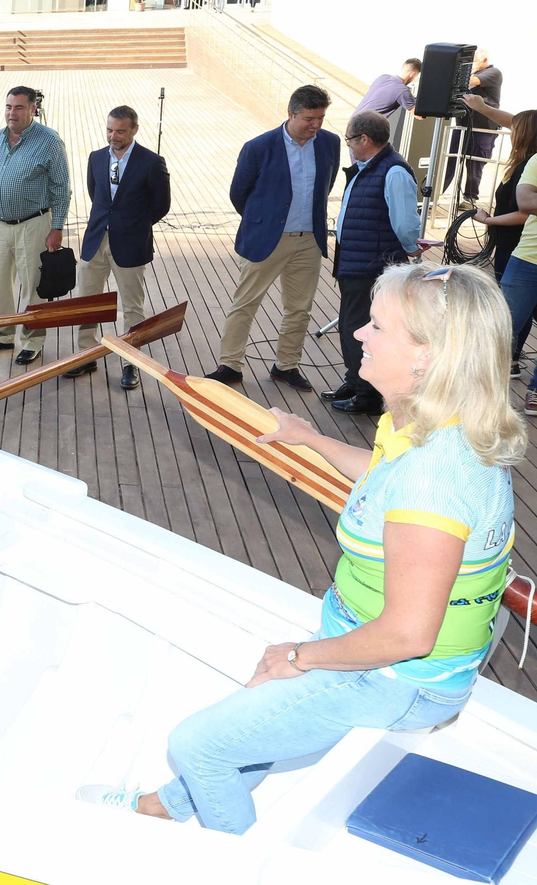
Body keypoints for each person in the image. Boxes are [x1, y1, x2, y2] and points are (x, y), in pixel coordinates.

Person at [79, 262, 524, 835]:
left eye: (377, 326)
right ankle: (168, 805)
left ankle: (229, 860)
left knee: (197, 746)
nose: (358, 333)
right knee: (254, 717)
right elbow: (384, 480)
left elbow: (408, 635)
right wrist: (309, 439)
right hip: (371, 649)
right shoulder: (435, 428)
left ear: (428, 356)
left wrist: (298, 658)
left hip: (397, 679)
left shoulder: (437, 479)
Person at [207, 84, 340, 391]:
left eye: (320, 118)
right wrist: (263, 222)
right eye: (309, 118)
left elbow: (328, 184)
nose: (316, 125)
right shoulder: (258, 147)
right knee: (245, 303)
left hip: (309, 240)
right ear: (291, 114)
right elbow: (239, 193)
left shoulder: (329, 143)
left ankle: (286, 365)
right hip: (267, 239)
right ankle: (230, 365)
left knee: (300, 309)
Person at [323, 111, 423, 417]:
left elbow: (405, 222)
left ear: (364, 139)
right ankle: (355, 382)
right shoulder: (369, 167)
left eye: (350, 139)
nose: (349, 145)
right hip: (356, 261)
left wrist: (410, 247)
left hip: (372, 265)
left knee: (361, 328)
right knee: (350, 325)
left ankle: (367, 394)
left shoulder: (393, 171)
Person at [63, 105, 171, 390]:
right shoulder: (96, 158)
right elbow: (95, 194)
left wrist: (134, 225)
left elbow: (161, 205)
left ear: (134, 129)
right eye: (110, 130)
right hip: (95, 240)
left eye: (120, 131)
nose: (114, 136)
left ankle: (130, 363)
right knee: (87, 302)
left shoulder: (152, 162)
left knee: (132, 306)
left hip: (131, 244)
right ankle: (87, 356)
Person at [0, 86, 70, 365]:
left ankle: (32, 341)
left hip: (33, 225)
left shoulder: (49, 141)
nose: (12, 113)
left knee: (33, 285)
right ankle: (3, 335)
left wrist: (57, 227)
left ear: (33, 109)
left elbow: (61, 188)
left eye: (19, 107)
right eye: (9, 107)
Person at [490, 127, 537, 414]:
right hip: (528, 258)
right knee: (500, 328)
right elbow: (526, 202)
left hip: (524, 260)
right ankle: (477, 389)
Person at [444, 50, 503, 208]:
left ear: (484, 60)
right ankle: (435, 195)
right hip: (462, 127)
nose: (471, 66)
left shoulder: (492, 73)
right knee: (451, 161)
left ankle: (470, 198)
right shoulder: (471, 74)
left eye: (474, 61)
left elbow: (472, 80)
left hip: (482, 129)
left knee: (475, 164)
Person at [353, 58, 421, 119]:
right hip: (366, 126)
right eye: (416, 76)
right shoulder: (402, 91)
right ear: (412, 74)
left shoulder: (382, 78)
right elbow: (418, 116)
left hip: (353, 121)